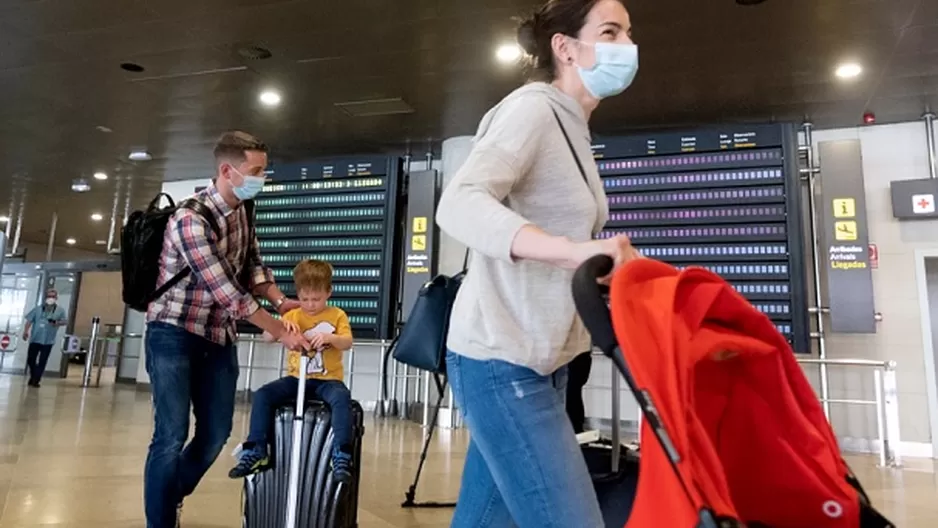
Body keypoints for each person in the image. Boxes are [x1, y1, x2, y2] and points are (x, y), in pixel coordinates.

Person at [434, 0, 641, 526]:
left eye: (628, 33)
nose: (627, 46)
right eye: (610, 32)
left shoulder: (572, 124)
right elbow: (459, 203)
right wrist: (574, 251)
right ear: (565, 47)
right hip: (502, 362)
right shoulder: (532, 109)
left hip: (544, 363)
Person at [144, 131, 311, 528]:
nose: (261, 179)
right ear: (226, 170)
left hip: (218, 337)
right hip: (174, 332)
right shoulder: (190, 219)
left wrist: (279, 300)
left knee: (216, 432)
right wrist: (282, 331)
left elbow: (253, 265)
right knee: (171, 434)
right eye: (255, 171)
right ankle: (161, 520)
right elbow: (227, 292)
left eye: (263, 172)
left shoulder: (243, 211)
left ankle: (169, 493)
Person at [228, 259, 356, 483]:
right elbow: (267, 337)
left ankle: (342, 453)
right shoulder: (294, 314)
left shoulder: (337, 315)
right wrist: (281, 327)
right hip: (297, 379)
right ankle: (256, 448)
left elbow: (347, 342)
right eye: (305, 299)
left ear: (329, 292)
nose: (310, 305)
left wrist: (330, 337)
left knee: (341, 398)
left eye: (316, 299)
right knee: (263, 395)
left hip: (328, 380)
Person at [21, 288, 67, 388]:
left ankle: (36, 380)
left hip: (48, 340)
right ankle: (34, 376)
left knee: (42, 360)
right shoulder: (38, 309)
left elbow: (64, 321)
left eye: (53, 297)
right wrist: (25, 331)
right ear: (46, 297)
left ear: (56, 298)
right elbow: (29, 320)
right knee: (31, 359)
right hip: (35, 338)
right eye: (49, 296)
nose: (51, 298)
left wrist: (56, 322)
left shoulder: (60, 310)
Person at [566, 350, 593, 434]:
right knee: (573, 395)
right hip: (579, 355)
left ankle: (576, 432)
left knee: (571, 395)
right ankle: (576, 432)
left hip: (573, 356)